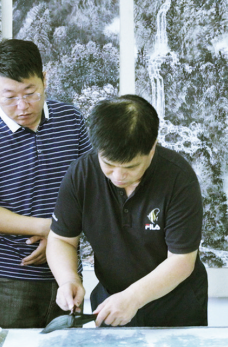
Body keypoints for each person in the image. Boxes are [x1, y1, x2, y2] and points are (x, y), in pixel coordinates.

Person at [46, 95, 208, 327]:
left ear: (152, 148)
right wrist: (68, 279)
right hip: (111, 301)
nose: (118, 176)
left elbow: (181, 260)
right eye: (109, 165)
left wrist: (133, 297)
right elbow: (61, 239)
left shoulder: (178, 178)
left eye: (131, 167)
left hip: (174, 305)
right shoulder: (82, 174)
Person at [0, 39, 91, 328]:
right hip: (10, 276)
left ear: (44, 79)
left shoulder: (72, 120)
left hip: (67, 274)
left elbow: (91, 188)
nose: (22, 107)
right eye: (9, 97)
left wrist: (58, 242)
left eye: (31, 93)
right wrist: (49, 228)